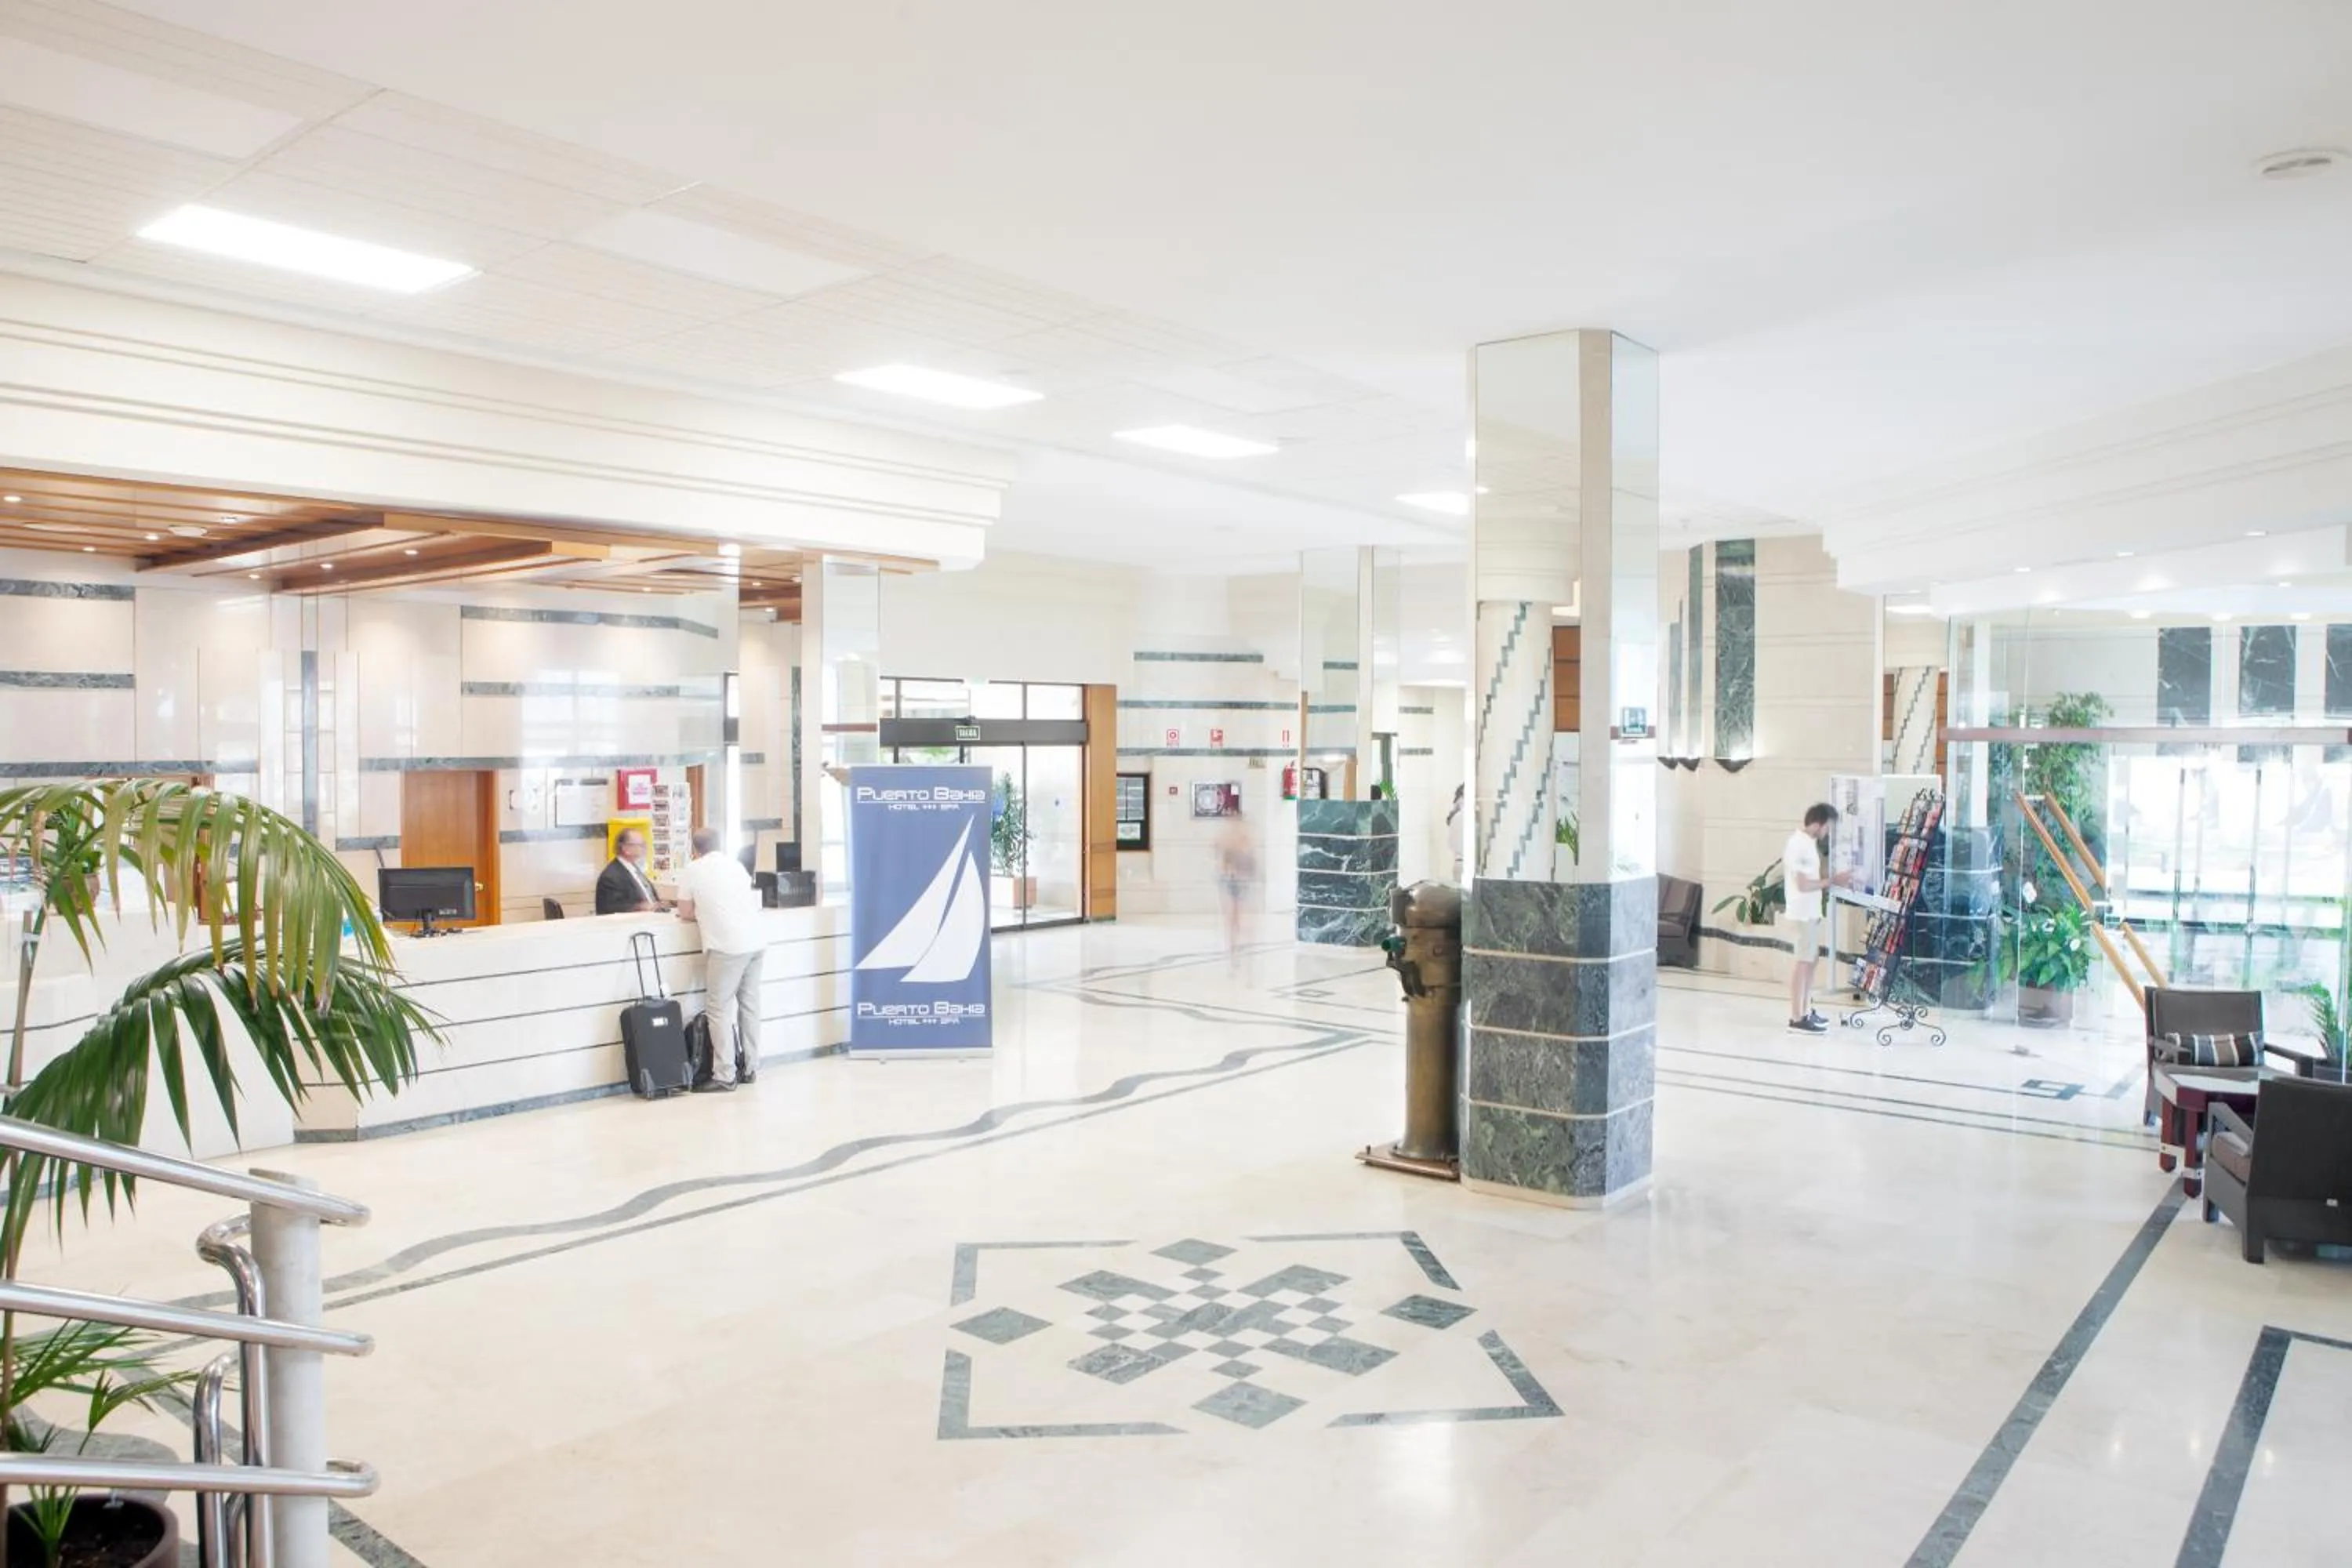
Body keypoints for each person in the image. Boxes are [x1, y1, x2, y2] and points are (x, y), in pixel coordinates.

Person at [675, 827, 764, 1092]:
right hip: (756, 942)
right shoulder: (736, 866)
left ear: (695, 849)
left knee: (718, 1008)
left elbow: (685, 911)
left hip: (727, 946)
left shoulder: (693, 869)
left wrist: (705, 911)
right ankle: (750, 1068)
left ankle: (725, 1074)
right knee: (749, 1005)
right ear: (720, 844)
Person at [1784, 803, 1850, 1033]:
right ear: (1818, 823)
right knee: (1803, 962)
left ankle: (1805, 1010)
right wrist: (1832, 881)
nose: (1828, 832)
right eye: (1828, 827)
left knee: (1811, 961)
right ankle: (1796, 1017)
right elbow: (1803, 885)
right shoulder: (1799, 845)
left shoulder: (1808, 844)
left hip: (1811, 911)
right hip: (1802, 912)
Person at [1214, 811, 1257, 956]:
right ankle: (1233, 941)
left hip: (1239, 880)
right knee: (1233, 912)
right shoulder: (1231, 837)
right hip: (1232, 879)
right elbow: (1224, 859)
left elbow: (1248, 860)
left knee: (1237, 912)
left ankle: (1236, 940)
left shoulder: (1239, 838)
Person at [594, 828, 664, 915]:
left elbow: (651, 898)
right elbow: (610, 908)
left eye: (644, 844)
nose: (644, 848)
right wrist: (639, 907)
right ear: (625, 849)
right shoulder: (610, 877)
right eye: (640, 845)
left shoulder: (635, 870)